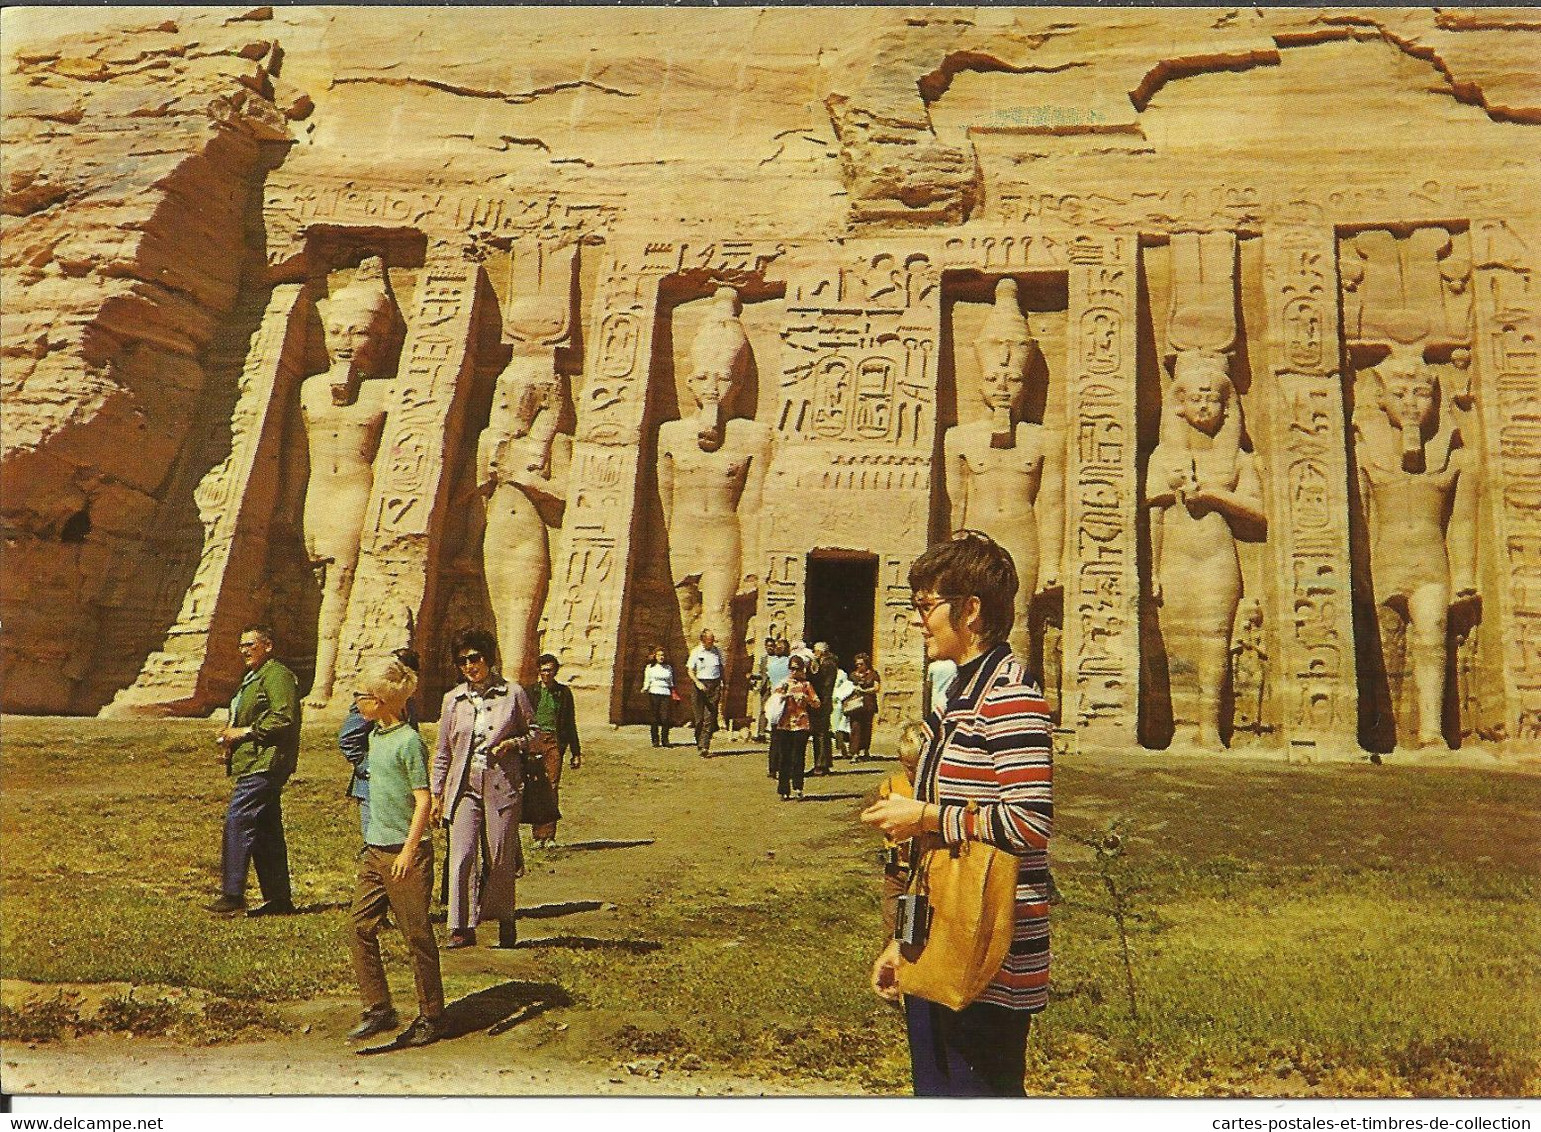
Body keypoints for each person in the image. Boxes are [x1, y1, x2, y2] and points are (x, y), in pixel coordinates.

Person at [861, 530, 1053, 1097]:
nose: (920, 621)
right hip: (943, 939)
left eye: (927, 607)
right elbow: (939, 854)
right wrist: (905, 940)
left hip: (991, 956)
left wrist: (924, 816)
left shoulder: (1010, 695)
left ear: (970, 610)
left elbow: (1028, 822)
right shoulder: (960, 697)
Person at [1147, 351, 1266, 750]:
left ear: (1227, 406)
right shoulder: (1163, 457)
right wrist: (1151, 570)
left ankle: (1210, 726)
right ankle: (1182, 728)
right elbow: (1156, 517)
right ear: (1178, 404)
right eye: (1195, 397)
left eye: (1213, 398)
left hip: (1218, 557)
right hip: (1175, 558)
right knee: (1176, 640)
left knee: (1216, 638)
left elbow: (1258, 512)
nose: (1203, 405)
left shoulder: (1239, 460)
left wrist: (1215, 495)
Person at [299, 256, 403, 706]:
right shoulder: (308, 388)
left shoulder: (387, 391)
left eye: (358, 332)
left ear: (380, 342)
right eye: (337, 331)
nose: (345, 342)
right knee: (316, 585)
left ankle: (323, 683)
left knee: (337, 587)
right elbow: (293, 456)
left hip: (353, 495)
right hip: (315, 493)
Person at [942, 278, 1065, 661]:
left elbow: (1052, 504)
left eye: (1012, 380)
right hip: (975, 536)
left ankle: (1017, 696)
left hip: (1021, 534)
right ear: (980, 383)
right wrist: (950, 554)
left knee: (1020, 619)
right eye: (993, 379)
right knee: (968, 621)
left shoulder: (1044, 439)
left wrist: (1052, 562)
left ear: (1025, 385)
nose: (1002, 387)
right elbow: (955, 501)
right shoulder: (959, 438)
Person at [344, 656, 443, 1047]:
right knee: (358, 928)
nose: (357, 703)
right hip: (374, 852)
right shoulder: (375, 736)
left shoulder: (409, 742)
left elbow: (423, 800)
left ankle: (433, 1015)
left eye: (362, 697)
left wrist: (408, 850)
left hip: (407, 855)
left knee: (416, 935)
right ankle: (379, 1009)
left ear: (383, 701)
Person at [431, 629, 531, 950]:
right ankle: (460, 926)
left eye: (475, 658)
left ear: (488, 657)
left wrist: (514, 743)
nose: (469, 666)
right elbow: (443, 752)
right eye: (462, 661)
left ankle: (504, 917)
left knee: (500, 855)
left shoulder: (512, 694)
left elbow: (538, 735)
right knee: (461, 854)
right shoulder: (452, 700)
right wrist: (437, 794)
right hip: (463, 785)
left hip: (502, 784)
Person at [207, 625, 301, 917]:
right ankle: (279, 900)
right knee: (265, 830)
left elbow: (284, 717)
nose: (244, 650)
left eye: (251, 644)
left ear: (268, 646)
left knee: (239, 819)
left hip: (267, 762)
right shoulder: (254, 677)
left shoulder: (277, 675)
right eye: (241, 645)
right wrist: (231, 742)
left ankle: (232, 895)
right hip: (253, 760)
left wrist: (244, 733)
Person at [338, 647, 420, 839]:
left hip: (398, 787)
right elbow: (347, 738)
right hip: (372, 787)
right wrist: (369, 767)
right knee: (374, 845)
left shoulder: (409, 704)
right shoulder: (370, 702)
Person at [875, 722, 927, 938]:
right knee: (891, 922)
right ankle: (890, 966)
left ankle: (908, 963)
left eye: (918, 767)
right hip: (896, 868)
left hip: (920, 871)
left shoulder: (931, 789)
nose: (913, 774)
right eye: (909, 767)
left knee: (910, 932)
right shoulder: (892, 785)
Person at [529, 653, 582, 848]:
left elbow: (570, 723)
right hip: (534, 741)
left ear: (555, 671)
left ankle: (549, 835)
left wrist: (575, 752)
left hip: (554, 741)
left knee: (551, 786)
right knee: (536, 787)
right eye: (543, 670)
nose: (546, 674)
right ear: (539, 671)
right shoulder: (531, 692)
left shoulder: (563, 693)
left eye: (550, 670)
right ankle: (537, 835)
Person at [770, 654, 820, 801]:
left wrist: (806, 699)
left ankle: (798, 787)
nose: (793, 671)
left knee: (798, 757)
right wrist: (785, 696)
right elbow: (774, 700)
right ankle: (783, 789)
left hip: (801, 724)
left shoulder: (806, 685)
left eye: (796, 668)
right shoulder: (783, 683)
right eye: (791, 668)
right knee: (784, 757)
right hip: (784, 724)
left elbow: (817, 703)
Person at [687, 629, 724, 756]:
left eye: (713, 640)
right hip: (699, 684)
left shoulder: (718, 652)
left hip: (714, 685)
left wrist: (723, 682)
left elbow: (721, 668)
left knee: (710, 716)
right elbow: (690, 670)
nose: (712, 642)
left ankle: (704, 745)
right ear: (703, 640)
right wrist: (697, 682)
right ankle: (699, 740)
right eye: (709, 640)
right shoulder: (696, 652)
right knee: (699, 718)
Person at [807, 642, 838, 775]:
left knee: (820, 733)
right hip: (824, 701)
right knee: (821, 733)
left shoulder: (827, 665)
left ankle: (821, 764)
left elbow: (821, 682)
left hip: (822, 701)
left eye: (815, 650)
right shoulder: (828, 663)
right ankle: (822, 763)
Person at [762, 637, 792, 778]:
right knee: (786, 737)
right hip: (786, 701)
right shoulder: (789, 663)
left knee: (775, 737)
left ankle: (772, 768)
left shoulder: (771, 663)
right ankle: (783, 766)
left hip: (774, 699)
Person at [847, 652, 882, 761]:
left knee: (867, 728)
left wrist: (864, 690)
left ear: (866, 664)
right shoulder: (852, 675)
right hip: (855, 705)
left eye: (861, 664)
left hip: (868, 704)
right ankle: (854, 752)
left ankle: (865, 750)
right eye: (857, 664)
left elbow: (877, 688)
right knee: (855, 727)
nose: (858, 666)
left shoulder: (873, 674)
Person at [640, 645, 676, 748]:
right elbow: (647, 680)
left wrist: (673, 691)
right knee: (654, 718)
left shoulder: (668, 668)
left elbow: (671, 681)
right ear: (655, 656)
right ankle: (655, 740)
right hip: (654, 693)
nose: (661, 657)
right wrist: (645, 688)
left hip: (665, 693)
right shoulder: (650, 668)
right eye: (659, 655)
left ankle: (665, 739)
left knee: (665, 718)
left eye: (663, 655)